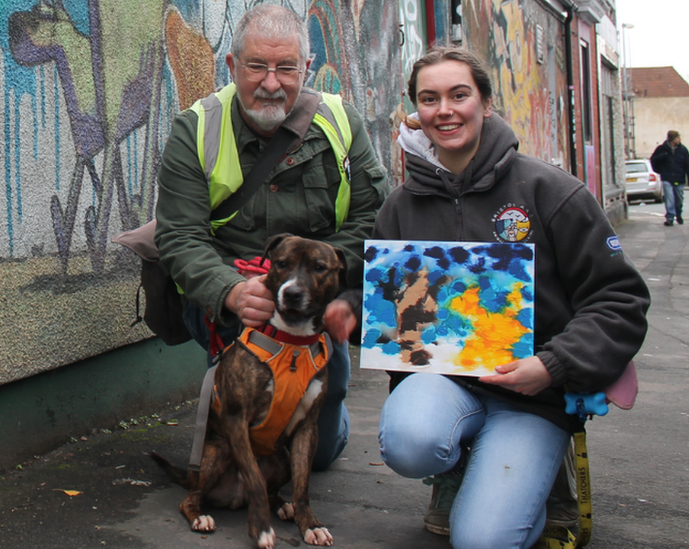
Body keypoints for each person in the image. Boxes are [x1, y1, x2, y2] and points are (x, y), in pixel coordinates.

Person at [363, 47, 649, 548]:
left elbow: (620, 299)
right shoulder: (399, 208)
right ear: (417, 112)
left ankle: (542, 484)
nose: (444, 110)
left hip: (533, 398)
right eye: (429, 99)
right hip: (446, 386)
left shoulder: (550, 191)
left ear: (486, 103)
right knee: (409, 439)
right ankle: (456, 467)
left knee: (481, 541)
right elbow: (393, 319)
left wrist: (554, 366)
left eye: (459, 95)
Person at [154, 4, 389, 471]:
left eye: (286, 68)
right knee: (251, 431)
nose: (271, 82)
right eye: (257, 66)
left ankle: (325, 416)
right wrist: (232, 291)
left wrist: (321, 279)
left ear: (306, 67)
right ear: (232, 66)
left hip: (315, 300)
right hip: (231, 298)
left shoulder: (343, 123)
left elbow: (373, 219)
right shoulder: (195, 129)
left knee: (316, 455)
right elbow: (180, 235)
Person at [650, 130, 689, 226]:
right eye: (677, 138)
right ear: (672, 139)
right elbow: (653, 160)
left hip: (679, 178)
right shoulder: (662, 149)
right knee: (669, 198)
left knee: (679, 199)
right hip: (667, 177)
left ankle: (678, 213)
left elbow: (688, 166)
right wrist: (660, 169)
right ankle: (670, 217)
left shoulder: (683, 150)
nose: (679, 140)